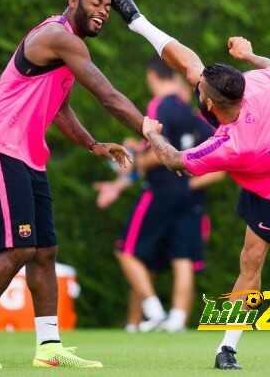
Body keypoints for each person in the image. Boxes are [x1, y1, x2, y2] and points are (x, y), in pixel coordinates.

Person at [0, 0, 148, 369]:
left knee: (45, 252)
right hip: (0, 147)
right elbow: (108, 96)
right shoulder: (58, 36)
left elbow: (59, 108)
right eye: (95, 2)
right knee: (19, 249)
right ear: (73, 2)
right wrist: (149, 131)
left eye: (108, 6)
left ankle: (49, 347)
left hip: (28, 155)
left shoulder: (68, 46)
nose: (104, 11)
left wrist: (92, 145)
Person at [109, 0, 270, 370]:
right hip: (256, 151)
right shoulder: (254, 84)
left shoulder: (232, 145)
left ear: (211, 104)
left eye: (201, 90)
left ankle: (227, 347)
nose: (194, 85)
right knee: (192, 64)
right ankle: (137, 20)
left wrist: (151, 135)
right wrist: (249, 55)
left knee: (251, 262)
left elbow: (177, 161)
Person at [94, 58, 224, 333]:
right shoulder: (191, 115)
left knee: (127, 252)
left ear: (152, 75)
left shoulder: (159, 106)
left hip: (160, 192)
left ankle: (153, 312)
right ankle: (176, 320)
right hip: (186, 198)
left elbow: (155, 152)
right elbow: (215, 158)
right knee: (182, 259)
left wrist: (131, 157)